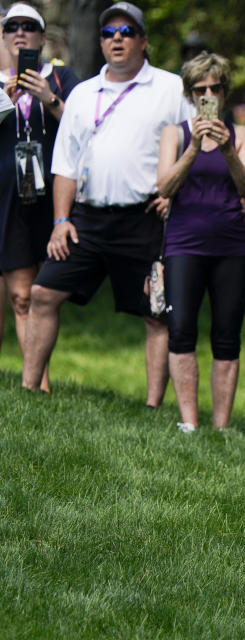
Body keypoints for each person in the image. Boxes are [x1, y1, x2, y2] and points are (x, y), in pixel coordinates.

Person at [22, 2, 192, 404]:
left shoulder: (170, 88)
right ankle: (28, 390)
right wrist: (61, 219)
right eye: (109, 33)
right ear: (100, 43)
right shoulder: (82, 93)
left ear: (144, 41)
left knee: (155, 312)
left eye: (127, 32)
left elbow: (196, 146)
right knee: (43, 294)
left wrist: (175, 193)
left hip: (144, 217)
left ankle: (152, 406)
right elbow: (65, 163)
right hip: (87, 219)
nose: (117, 39)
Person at [156, 52, 245, 433]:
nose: (208, 94)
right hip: (183, 244)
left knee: (226, 334)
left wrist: (229, 149)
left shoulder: (242, 134)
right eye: (200, 89)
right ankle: (189, 421)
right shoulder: (175, 133)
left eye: (215, 88)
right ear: (190, 94)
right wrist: (195, 147)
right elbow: (164, 186)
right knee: (181, 328)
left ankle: (220, 427)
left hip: (232, 246)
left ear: (225, 91)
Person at [1, 3, 79, 392]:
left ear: (42, 37)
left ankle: (36, 383)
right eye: (11, 26)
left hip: (47, 197)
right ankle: (28, 383)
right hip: (6, 196)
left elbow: (86, 131)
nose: (20, 33)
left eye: (29, 26)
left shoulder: (61, 77)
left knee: (33, 292)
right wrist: (8, 101)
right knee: (16, 293)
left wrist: (47, 98)